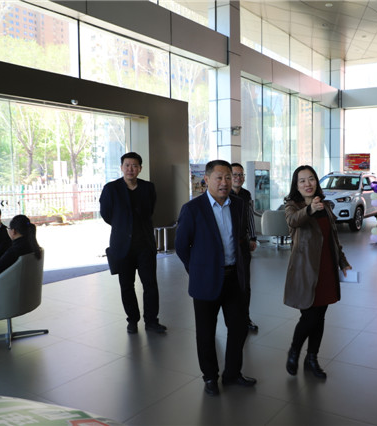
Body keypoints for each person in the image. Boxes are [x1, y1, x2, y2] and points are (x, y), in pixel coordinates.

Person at [175, 160, 256, 396]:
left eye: (228, 177)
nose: (224, 182)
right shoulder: (192, 209)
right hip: (206, 280)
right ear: (207, 180)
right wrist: (197, 270)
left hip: (234, 278)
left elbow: (241, 239)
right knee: (206, 332)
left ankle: (232, 373)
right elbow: (181, 246)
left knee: (238, 328)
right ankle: (210, 376)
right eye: (219, 178)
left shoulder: (239, 205)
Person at [283, 165, 351, 379]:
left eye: (311, 179)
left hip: (326, 268)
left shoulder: (326, 206)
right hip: (305, 270)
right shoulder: (291, 206)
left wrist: (343, 262)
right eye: (302, 180)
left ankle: (312, 358)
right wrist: (310, 209)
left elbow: (333, 238)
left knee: (320, 316)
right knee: (309, 316)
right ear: (296, 185)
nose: (308, 184)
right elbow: (293, 221)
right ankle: (294, 350)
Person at [99, 152, 166, 335]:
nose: (130, 169)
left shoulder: (148, 187)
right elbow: (106, 214)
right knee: (127, 285)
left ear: (140, 168)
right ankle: (132, 320)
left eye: (134, 166)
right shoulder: (111, 189)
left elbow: (150, 210)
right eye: (127, 165)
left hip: (145, 244)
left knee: (150, 285)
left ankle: (151, 321)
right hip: (122, 246)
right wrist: (123, 226)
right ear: (121, 167)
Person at [230, 162, 259, 332]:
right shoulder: (223, 194)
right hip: (227, 247)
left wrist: (253, 238)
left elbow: (250, 217)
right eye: (235, 175)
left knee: (245, 284)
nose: (238, 178)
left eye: (241, 175)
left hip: (242, 245)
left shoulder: (246, 194)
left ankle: (245, 318)